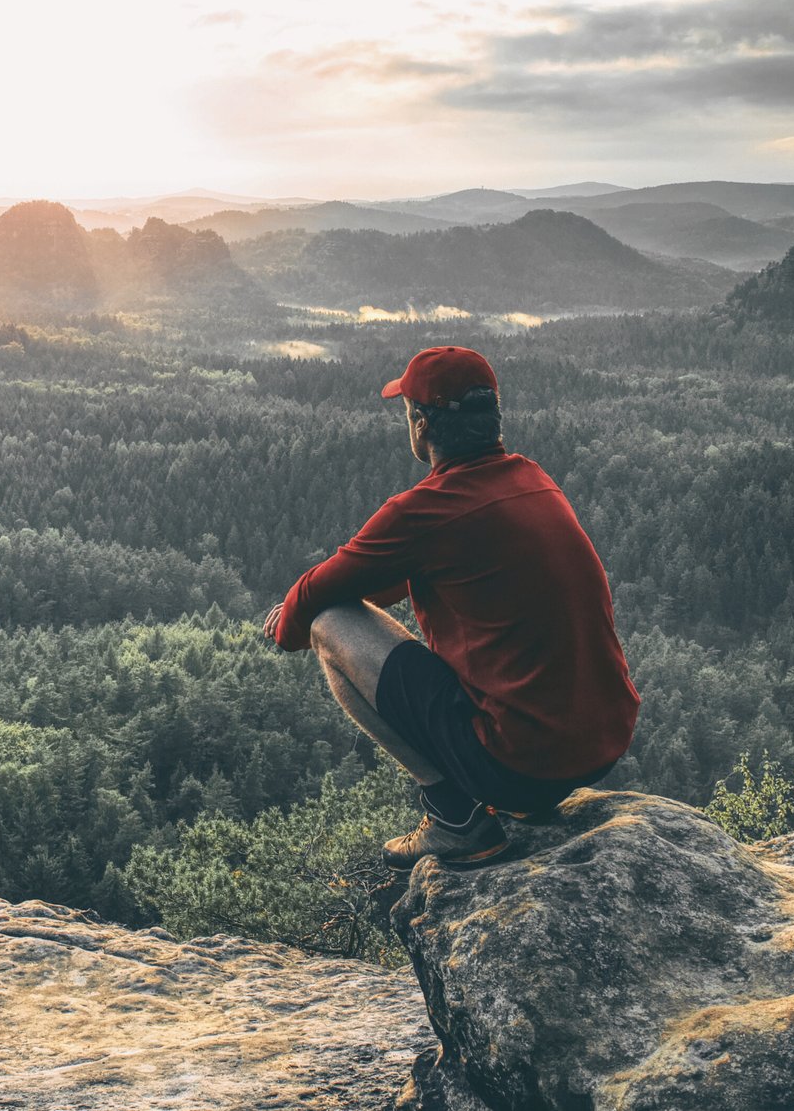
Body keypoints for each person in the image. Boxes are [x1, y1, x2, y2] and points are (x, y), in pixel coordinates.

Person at [263, 344, 639, 868]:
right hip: (598, 747)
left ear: (419, 423)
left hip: (520, 766)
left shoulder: (425, 511)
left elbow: (314, 597)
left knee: (330, 625)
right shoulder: (534, 480)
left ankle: (455, 819)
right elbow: (401, 582)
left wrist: (287, 624)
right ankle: (505, 800)